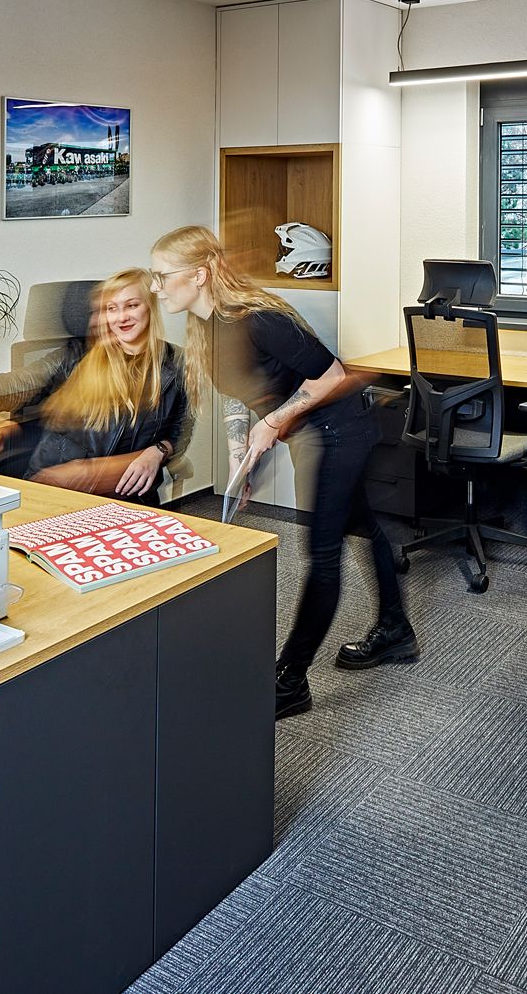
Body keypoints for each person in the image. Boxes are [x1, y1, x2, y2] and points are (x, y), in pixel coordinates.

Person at [149, 224, 415, 720]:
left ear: (199, 275)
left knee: (323, 552)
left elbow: (332, 375)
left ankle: (291, 679)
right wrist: (241, 458)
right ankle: (396, 628)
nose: (156, 287)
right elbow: (241, 393)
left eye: (162, 276)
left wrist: (272, 422)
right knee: (361, 524)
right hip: (309, 432)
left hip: (339, 430)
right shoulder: (207, 325)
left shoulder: (259, 320)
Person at [0, 270, 189, 500]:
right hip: (56, 483)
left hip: (129, 494)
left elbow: (181, 428)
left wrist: (158, 451)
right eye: (112, 308)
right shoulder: (79, 354)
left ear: (150, 307)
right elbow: (22, 382)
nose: (121, 317)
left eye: (132, 305)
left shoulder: (178, 364)